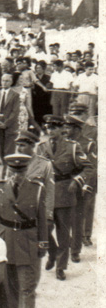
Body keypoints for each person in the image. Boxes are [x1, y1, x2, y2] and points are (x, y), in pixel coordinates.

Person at [0, 153, 48, 308]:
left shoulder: (37, 189)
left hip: (28, 243)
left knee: (27, 289)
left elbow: (42, 218)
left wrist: (43, 243)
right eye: (13, 171)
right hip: (4, 242)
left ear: (27, 170)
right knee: (8, 287)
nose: (16, 175)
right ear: (7, 170)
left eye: (21, 171)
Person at [60, 114, 96, 267]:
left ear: (76, 128)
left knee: (76, 219)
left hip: (79, 186)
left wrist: (85, 185)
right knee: (62, 219)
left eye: (68, 127)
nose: (65, 130)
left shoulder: (88, 144)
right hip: (64, 186)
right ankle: (67, 246)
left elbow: (91, 167)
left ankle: (75, 251)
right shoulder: (63, 143)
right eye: (65, 127)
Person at [0, 74, 21, 178]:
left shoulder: (15, 95)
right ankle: (6, 170)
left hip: (9, 127)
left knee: (9, 151)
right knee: (1, 150)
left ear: (11, 82)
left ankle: (6, 174)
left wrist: (5, 123)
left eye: (7, 81)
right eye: (3, 80)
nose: (4, 83)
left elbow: (15, 112)